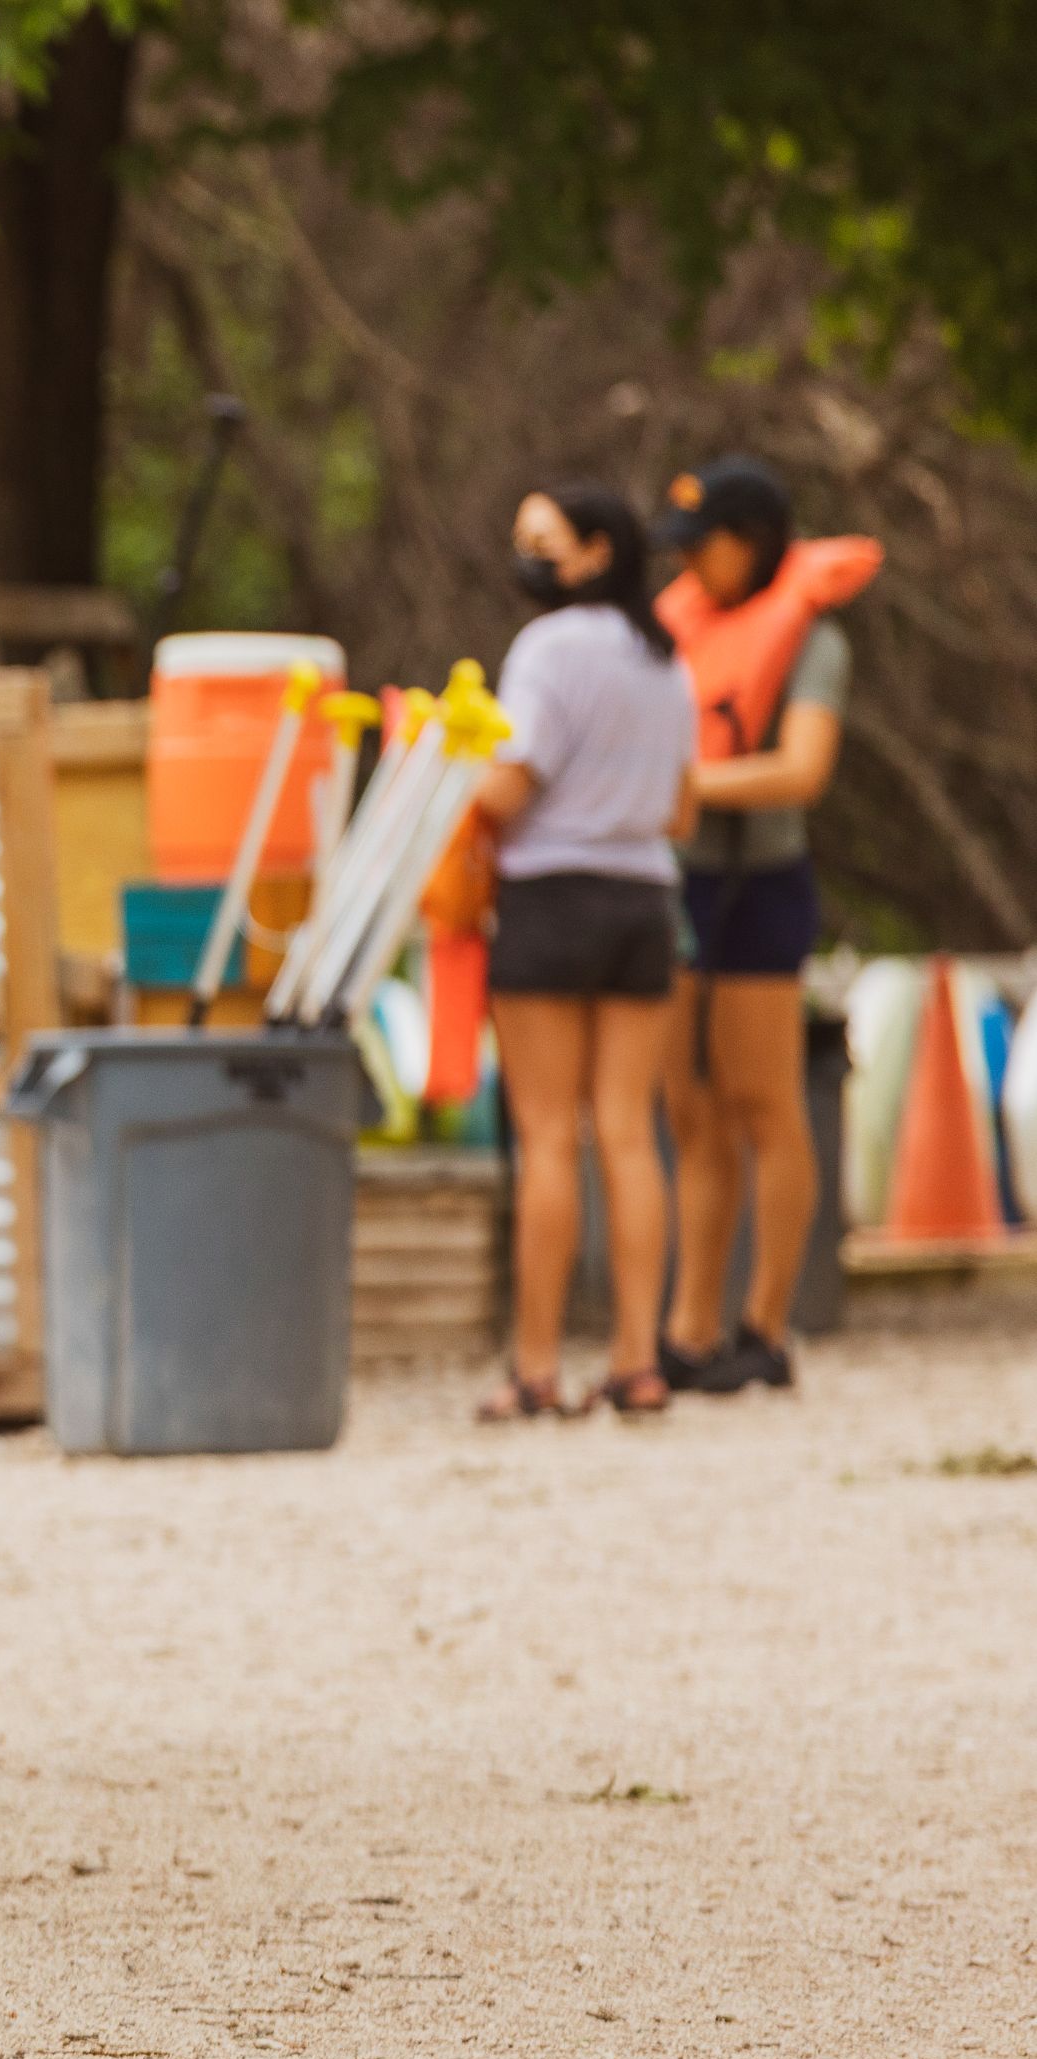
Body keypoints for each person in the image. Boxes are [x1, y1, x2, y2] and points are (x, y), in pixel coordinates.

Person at [652, 456, 880, 1394]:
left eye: (701, 546)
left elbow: (800, 770)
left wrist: (687, 785)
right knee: (689, 1111)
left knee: (763, 1103)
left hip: (760, 885)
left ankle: (766, 1324)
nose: (687, 564)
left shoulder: (814, 643)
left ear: (748, 544)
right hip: (682, 884)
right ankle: (687, 1327)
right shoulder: (677, 629)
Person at [475, 481, 699, 1421]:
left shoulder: (547, 648)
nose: (526, 557)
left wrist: (452, 774)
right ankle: (637, 1360)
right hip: (644, 901)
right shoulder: (665, 657)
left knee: (545, 1138)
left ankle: (535, 1367)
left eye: (542, 540)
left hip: (550, 898)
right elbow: (681, 808)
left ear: (596, 550)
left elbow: (507, 785)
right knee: (628, 1133)